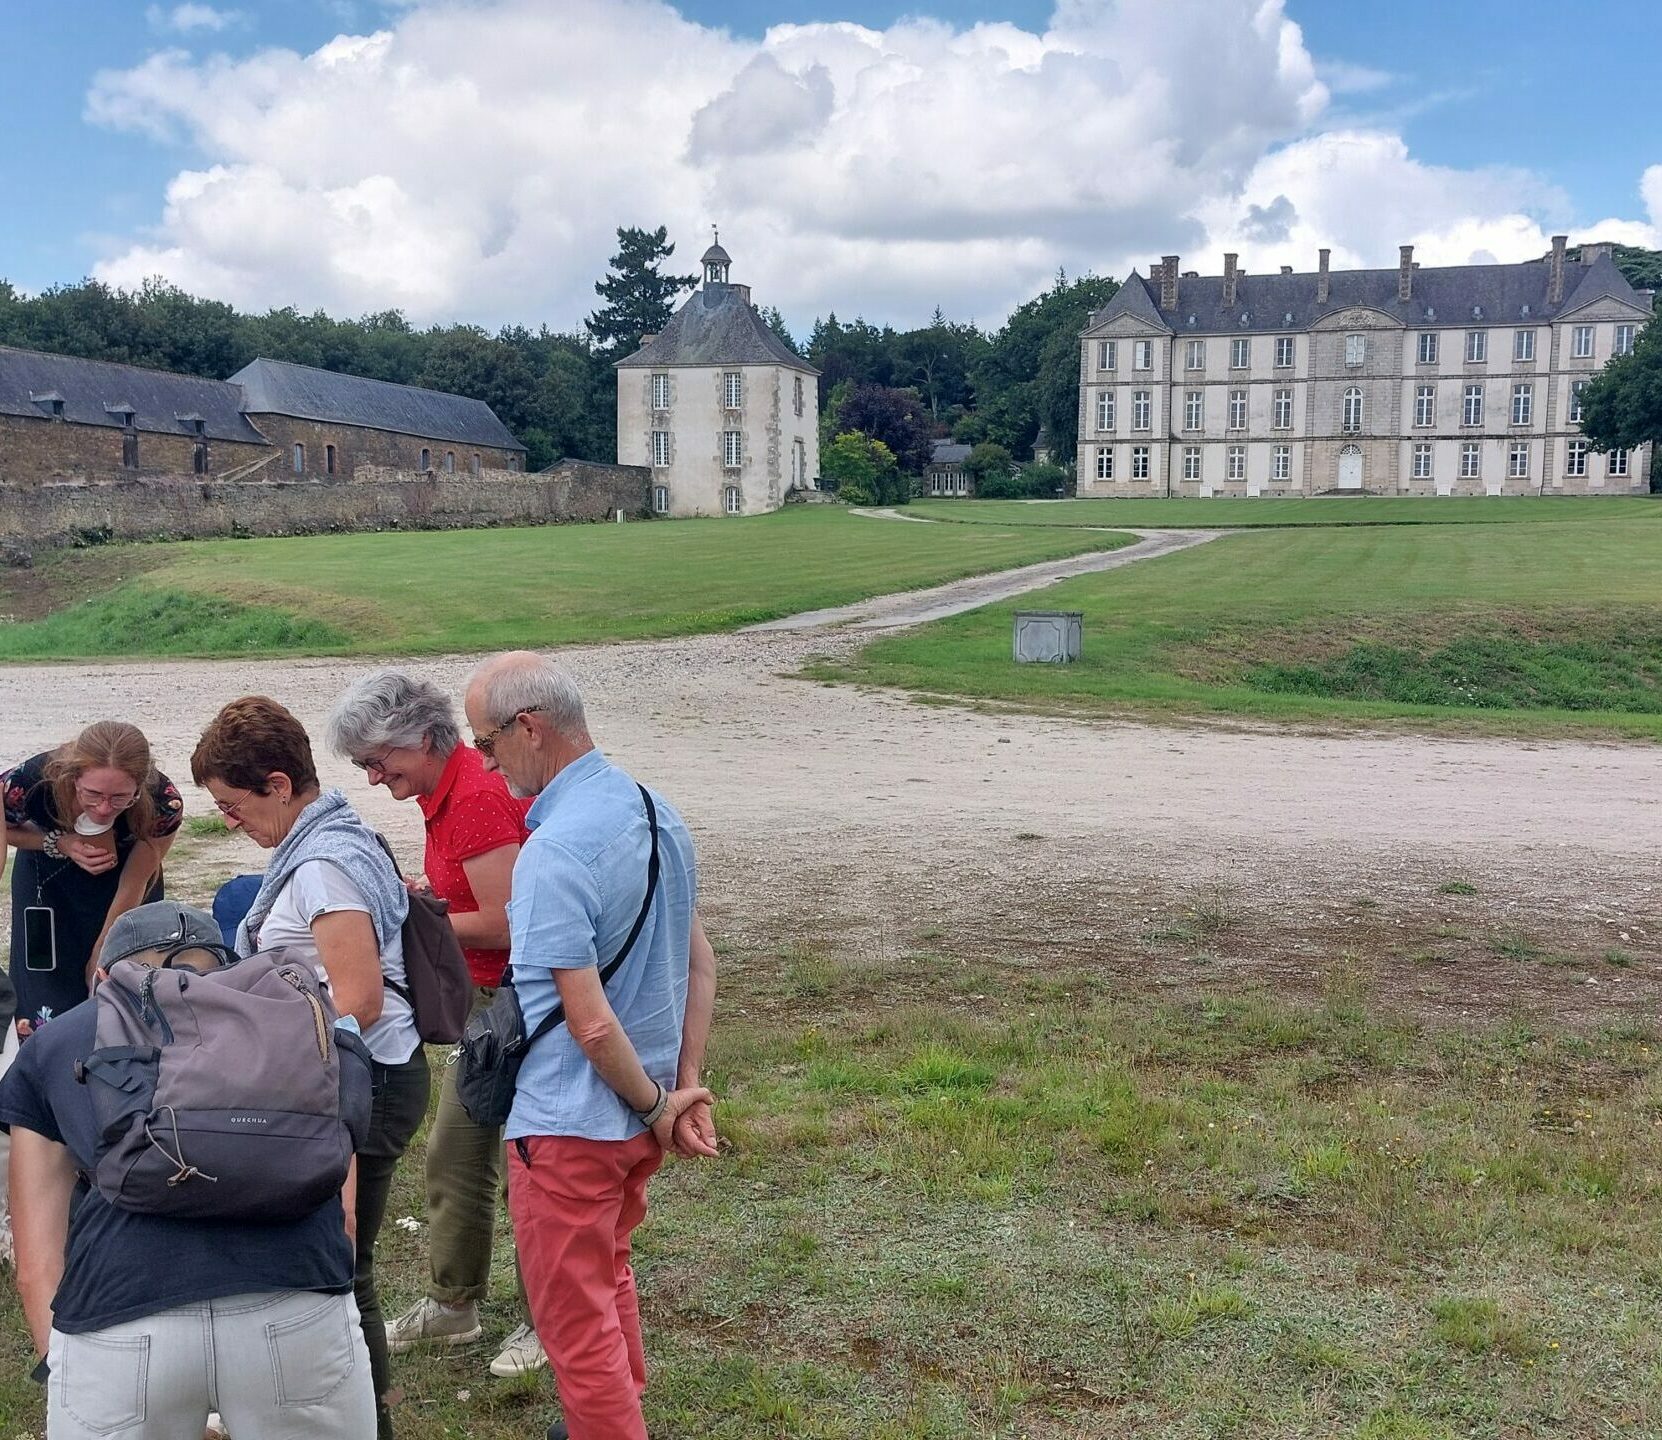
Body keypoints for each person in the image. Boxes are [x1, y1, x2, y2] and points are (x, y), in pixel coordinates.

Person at [0, 901, 376, 1439]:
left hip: (120, 1317)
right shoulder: (294, 1027)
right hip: (294, 1299)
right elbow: (344, 1215)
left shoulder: (59, 1043)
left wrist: (59, 1365)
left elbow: (36, 1263)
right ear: (224, 968)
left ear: (105, 978)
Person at [464, 651, 719, 1440]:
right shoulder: (655, 810)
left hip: (569, 1123)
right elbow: (698, 962)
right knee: (608, 1275)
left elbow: (591, 1022)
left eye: (485, 743)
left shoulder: (552, 853)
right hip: (639, 1111)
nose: (485, 760)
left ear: (528, 728)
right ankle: (613, 1416)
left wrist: (656, 1105)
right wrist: (680, 1091)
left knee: (572, 1324)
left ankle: (608, 1425)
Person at [191, 696, 430, 1440]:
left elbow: (355, 999)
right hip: (366, 1077)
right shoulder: (338, 836)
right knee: (339, 1264)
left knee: (342, 1269)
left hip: (363, 1084)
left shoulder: (322, 866)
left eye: (233, 806)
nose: (230, 823)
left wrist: (255, 1044)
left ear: (278, 784)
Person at [324, 668, 546, 1379]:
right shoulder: (451, 791)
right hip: (491, 1011)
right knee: (457, 1157)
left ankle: (554, 1319)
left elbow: (513, 922)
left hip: (519, 1005)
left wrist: (409, 925)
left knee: (531, 1168)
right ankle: (457, 1306)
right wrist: (425, 903)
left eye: (376, 761)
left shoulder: (475, 798)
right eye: (362, 765)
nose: (371, 777)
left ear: (421, 739)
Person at [3, 721, 184, 1037]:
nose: (103, 809)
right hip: (47, 883)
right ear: (73, 779)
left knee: (118, 983)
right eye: (93, 794)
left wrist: (106, 944)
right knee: (44, 990)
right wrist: (59, 843)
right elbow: (9, 830)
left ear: (139, 787)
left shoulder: (163, 802)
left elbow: (136, 880)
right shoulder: (30, 781)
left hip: (124, 889)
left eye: (119, 798)